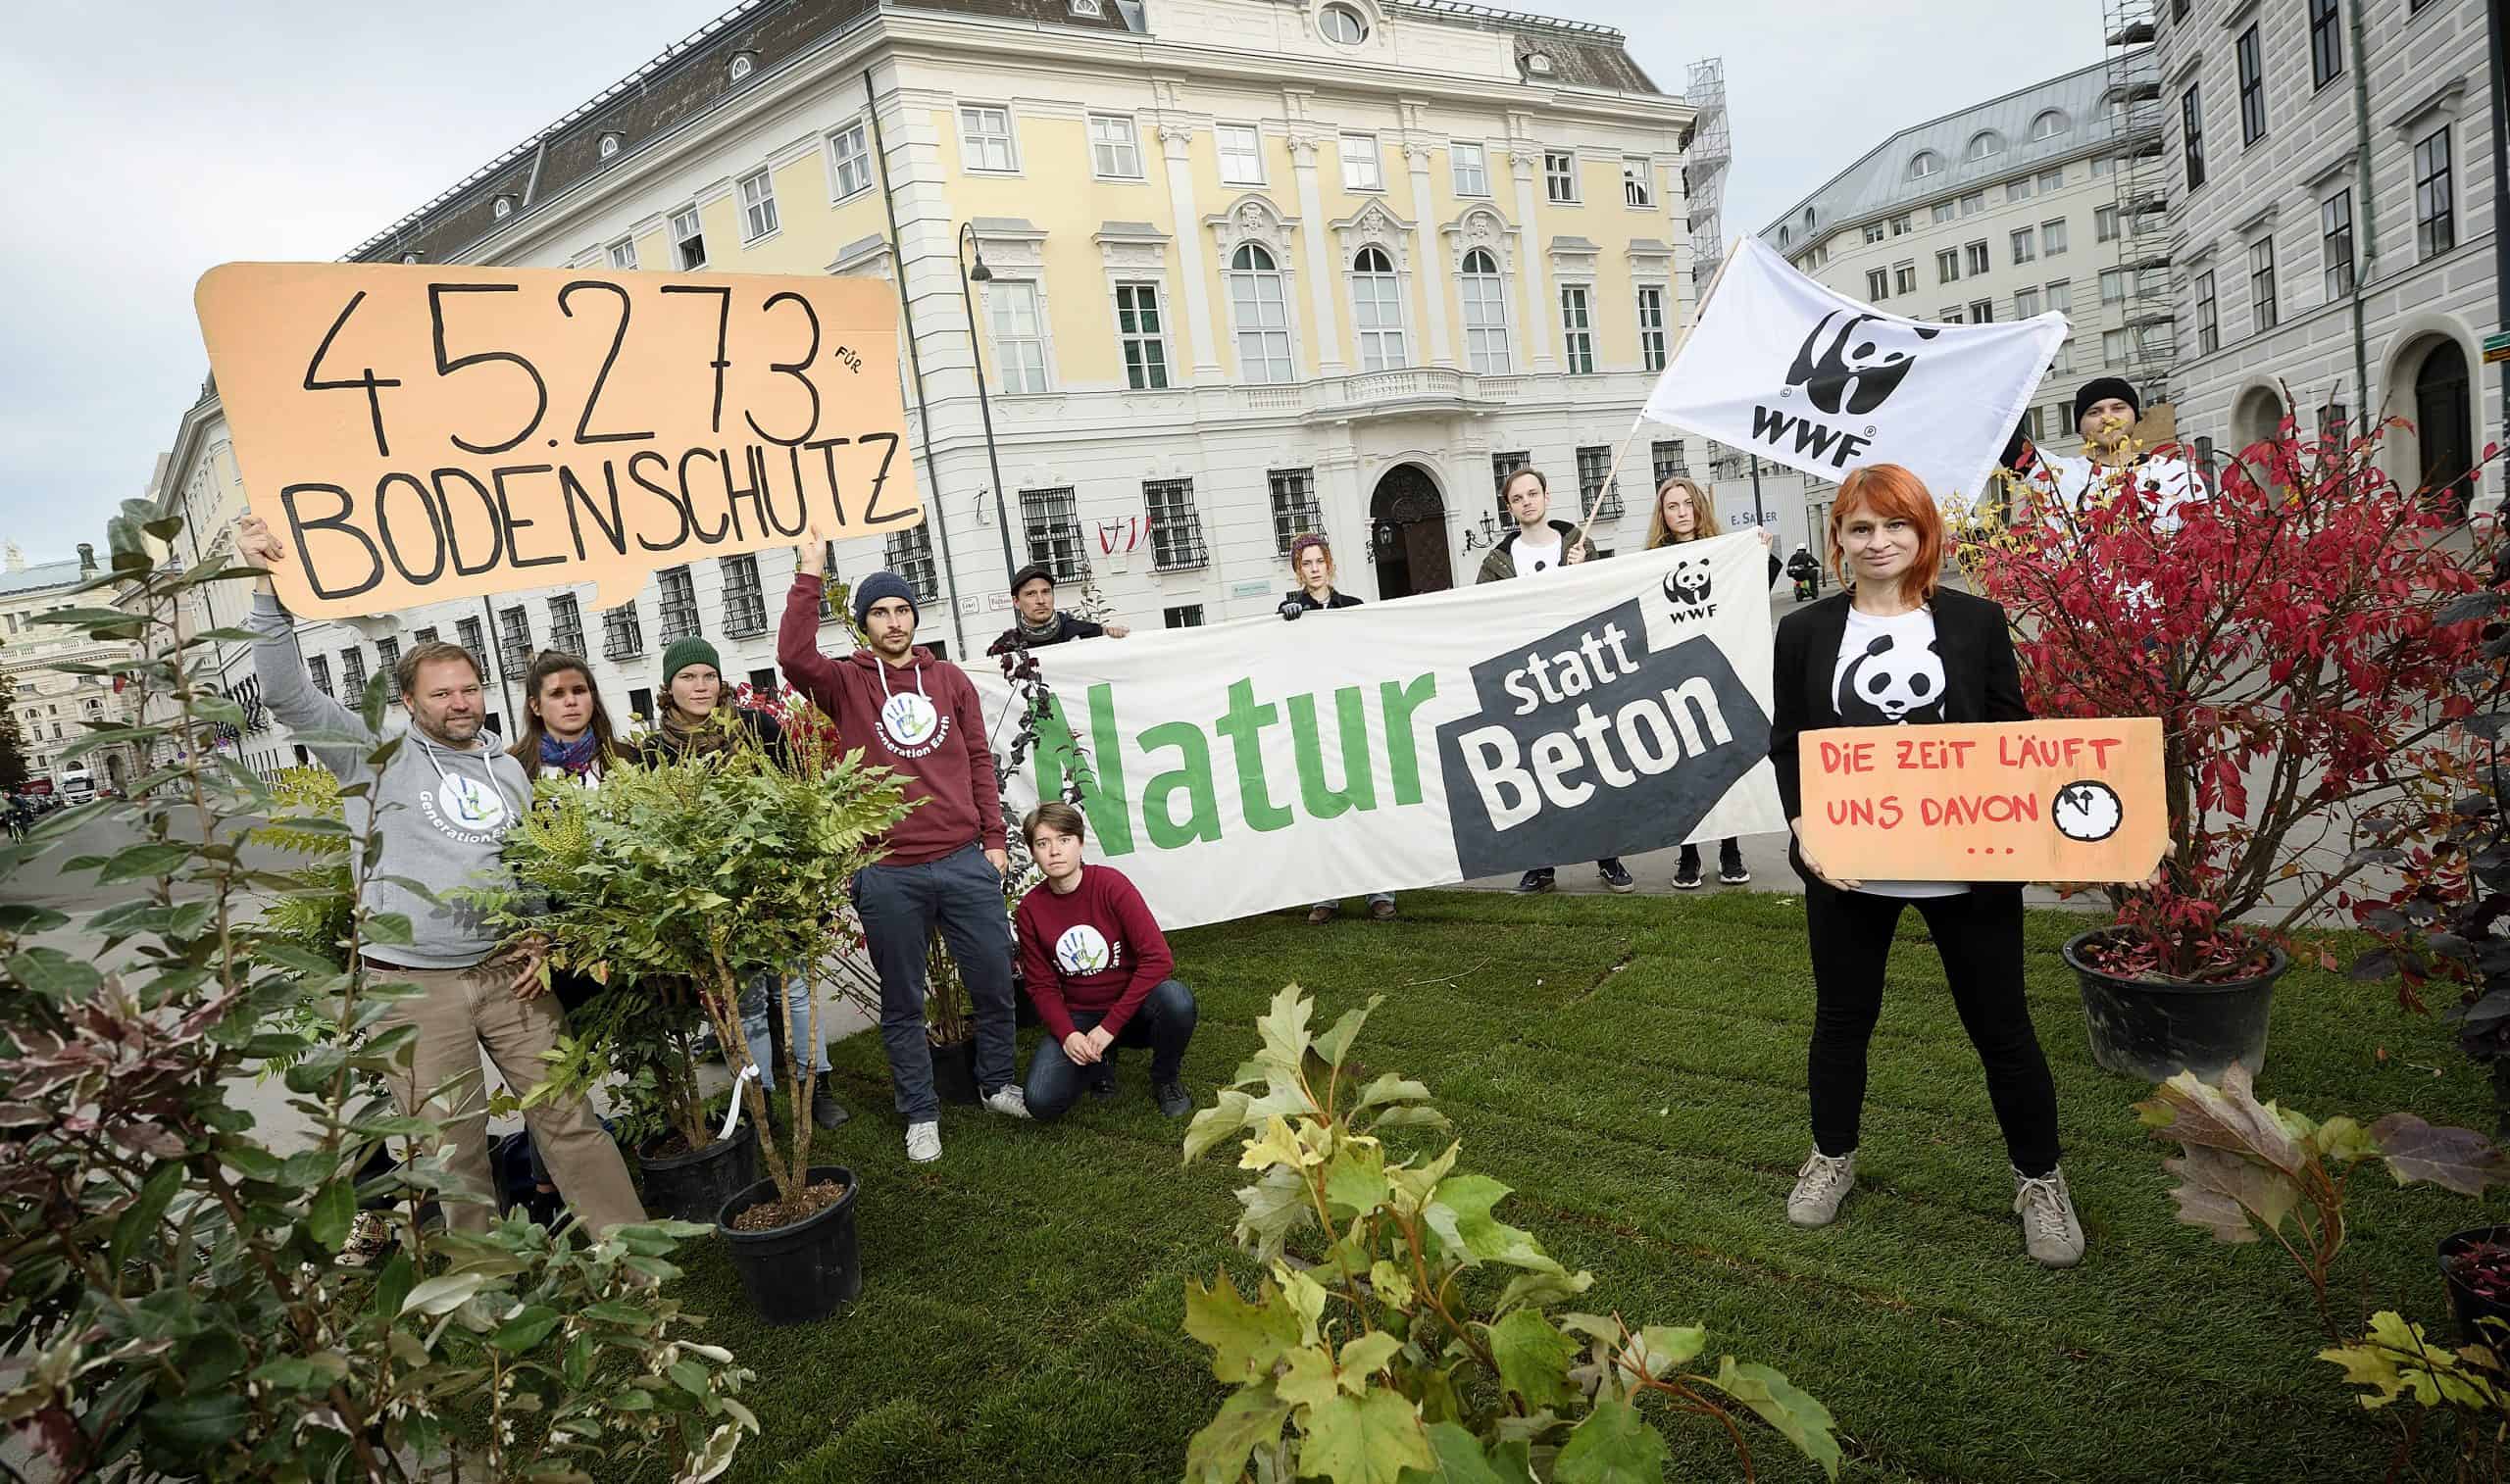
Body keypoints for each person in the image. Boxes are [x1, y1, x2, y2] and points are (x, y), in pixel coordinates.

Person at [233, 514, 645, 1239]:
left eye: (470, 688)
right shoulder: (373, 753)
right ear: (410, 703)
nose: (460, 702)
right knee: (451, 1150)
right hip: (414, 986)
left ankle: (636, 1252)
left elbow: (528, 868)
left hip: (509, 976)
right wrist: (269, 590)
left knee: (571, 1120)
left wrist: (542, 933)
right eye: (442, 693)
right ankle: (483, 1293)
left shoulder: (510, 773)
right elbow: (289, 696)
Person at [1767, 465, 2083, 1269]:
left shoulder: (1976, 622)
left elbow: (2012, 740)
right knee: (1842, 1022)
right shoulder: (1804, 632)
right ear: (1837, 536)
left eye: (1895, 526)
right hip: (1849, 871)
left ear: (1923, 533)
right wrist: (1808, 832)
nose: (1880, 542)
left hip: (1966, 869)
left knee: (2002, 1029)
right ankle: (1831, 1155)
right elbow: (1790, 745)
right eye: (1862, 527)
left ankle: (2040, 1181)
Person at [781, 546, 1026, 1163]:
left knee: (995, 981)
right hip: (888, 870)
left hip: (963, 860)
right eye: (880, 613)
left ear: (916, 618)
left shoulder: (949, 680)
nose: (893, 622)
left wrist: (994, 841)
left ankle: (996, 1082)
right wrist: (810, 571)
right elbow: (792, 657)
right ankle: (920, 1112)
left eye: (902, 610)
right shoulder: (846, 683)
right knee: (903, 1002)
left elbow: (977, 760)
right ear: (863, 624)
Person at [634, 636, 847, 1132]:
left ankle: (817, 1086)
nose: (700, 686)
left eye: (708, 675)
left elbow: (800, 796)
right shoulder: (655, 752)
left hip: (779, 885)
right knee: (745, 1002)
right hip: (717, 902)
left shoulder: (757, 727)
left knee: (794, 994)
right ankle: (762, 1101)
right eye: (688, 677)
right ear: (669, 687)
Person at [1479, 468, 1633, 896]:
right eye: (1517, 498)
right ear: (1509, 507)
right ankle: (1541, 864)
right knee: (1537, 769)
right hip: (1526, 683)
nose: (1527, 502)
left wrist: (1584, 573)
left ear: (1546, 496)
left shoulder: (1579, 546)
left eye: (1533, 493)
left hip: (1578, 671)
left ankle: (1609, 857)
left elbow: (1605, 601)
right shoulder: (1496, 564)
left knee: (1595, 763)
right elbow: (1481, 620)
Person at [1014, 801, 1198, 1120]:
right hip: (1080, 1015)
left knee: (1177, 1000)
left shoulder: (1112, 886)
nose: (1054, 851)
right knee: (1041, 1102)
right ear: (1033, 853)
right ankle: (1099, 1061)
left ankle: (1166, 1078)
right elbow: (1041, 985)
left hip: (1133, 1009)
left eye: (1064, 840)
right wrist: (1069, 1035)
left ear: (1080, 843)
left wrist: (1109, 1027)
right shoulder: (1030, 909)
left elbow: (1158, 959)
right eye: (1043, 844)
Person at [1647, 475, 1780, 890]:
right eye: (1672, 506)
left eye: (1688, 503)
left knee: (1725, 765)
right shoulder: (1648, 563)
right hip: (1675, 678)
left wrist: (1760, 553)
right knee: (1685, 771)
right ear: (1663, 515)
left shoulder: (1724, 553)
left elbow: (1753, 592)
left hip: (1720, 675)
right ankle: (1688, 855)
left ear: (1699, 506)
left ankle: (1730, 850)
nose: (1682, 511)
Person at [1279, 534, 1398, 924]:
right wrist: (1287, 615)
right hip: (1313, 723)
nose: (1314, 569)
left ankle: (1380, 892)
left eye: (1319, 561)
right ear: (1298, 570)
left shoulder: (1354, 609)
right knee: (1321, 812)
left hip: (1352, 718)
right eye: (1306, 563)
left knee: (1366, 807)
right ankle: (1325, 896)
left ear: (1330, 565)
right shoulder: (1289, 613)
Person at [988, 565, 1130, 656]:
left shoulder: (1084, 633)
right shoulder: (1005, 649)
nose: (1040, 600)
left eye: (1045, 592)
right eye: (1031, 594)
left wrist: (1115, 635)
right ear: (1016, 602)